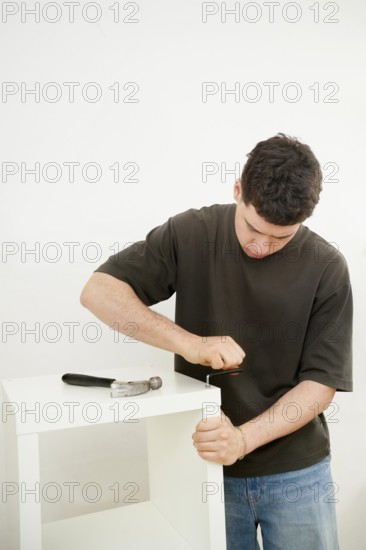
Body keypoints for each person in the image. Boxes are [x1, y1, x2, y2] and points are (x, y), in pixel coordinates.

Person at [80, 133, 352, 549]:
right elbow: (98, 292)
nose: (262, 247)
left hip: (298, 474)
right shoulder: (192, 232)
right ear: (238, 190)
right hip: (203, 469)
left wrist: (242, 440)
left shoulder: (327, 266)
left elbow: (320, 384)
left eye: (281, 238)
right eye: (253, 230)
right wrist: (189, 343)